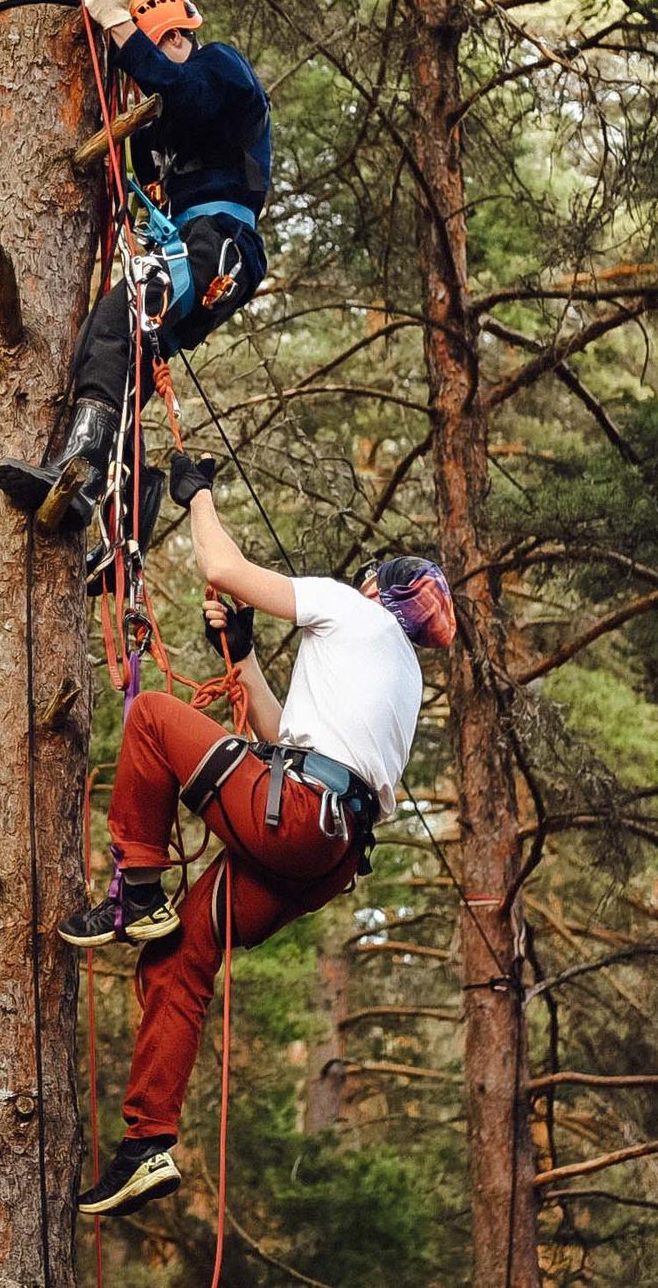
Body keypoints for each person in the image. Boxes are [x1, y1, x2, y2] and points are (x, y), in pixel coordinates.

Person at [61, 452, 457, 1219]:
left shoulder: (355, 611)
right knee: (180, 956)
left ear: (377, 591)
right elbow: (287, 737)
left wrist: (199, 494)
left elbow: (222, 565)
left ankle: (136, 889)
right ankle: (146, 1145)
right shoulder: (400, 673)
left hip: (299, 815)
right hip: (323, 849)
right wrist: (242, 655)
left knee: (153, 720)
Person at [0, 0, 273, 538]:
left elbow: (188, 94)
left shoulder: (220, 67)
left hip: (218, 241)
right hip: (195, 247)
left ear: (178, 37)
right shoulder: (159, 125)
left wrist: (119, 23)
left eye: (162, 44)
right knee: (115, 355)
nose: (158, 60)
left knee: (120, 320)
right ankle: (125, 504)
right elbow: (139, 156)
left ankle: (79, 475)